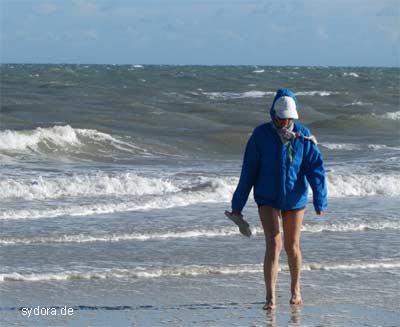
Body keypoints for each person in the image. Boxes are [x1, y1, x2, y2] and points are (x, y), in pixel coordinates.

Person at [225, 88, 327, 310]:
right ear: (273, 114)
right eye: (280, 118)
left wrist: (320, 199)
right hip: (267, 196)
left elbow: (316, 169)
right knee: (274, 243)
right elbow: (249, 171)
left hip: (295, 197)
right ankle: (270, 298)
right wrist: (237, 205)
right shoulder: (260, 136)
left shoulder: (303, 135)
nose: (284, 122)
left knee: (292, 245)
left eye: (288, 118)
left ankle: (295, 291)